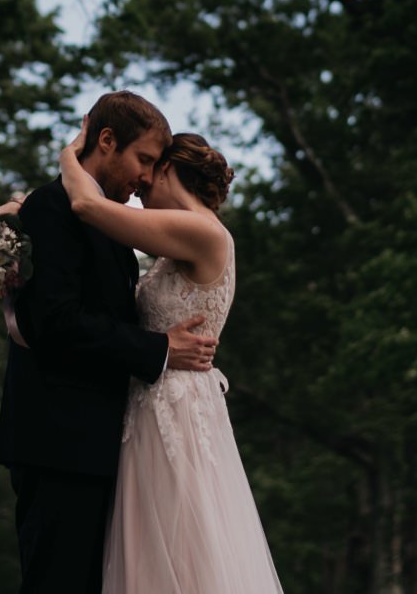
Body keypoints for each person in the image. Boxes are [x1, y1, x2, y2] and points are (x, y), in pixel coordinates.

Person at [0, 91, 219, 594]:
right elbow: (56, 321)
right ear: (107, 140)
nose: (145, 177)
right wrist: (158, 349)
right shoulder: (53, 207)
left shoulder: (108, 220)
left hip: (102, 445)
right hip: (60, 443)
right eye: (143, 160)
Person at [55, 126, 287, 594]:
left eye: (147, 173)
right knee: (151, 547)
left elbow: (87, 206)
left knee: (178, 546)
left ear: (168, 168)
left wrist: (69, 153)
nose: (138, 186)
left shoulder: (202, 230)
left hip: (175, 411)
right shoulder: (175, 246)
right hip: (151, 401)